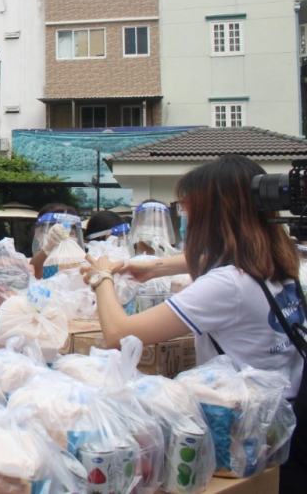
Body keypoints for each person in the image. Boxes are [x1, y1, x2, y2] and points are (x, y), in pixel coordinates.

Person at [83, 155, 306, 491]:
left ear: (214, 215)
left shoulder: (228, 284)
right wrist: (155, 267)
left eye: (187, 209)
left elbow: (120, 334)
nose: (184, 217)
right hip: (282, 421)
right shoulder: (280, 259)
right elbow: (209, 259)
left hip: (241, 434)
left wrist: (101, 276)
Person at [28, 203, 82, 279]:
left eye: (71, 234)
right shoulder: (28, 265)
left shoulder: (82, 260)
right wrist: (48, 247)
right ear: (38, 233)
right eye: (54, 232)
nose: (63, 237)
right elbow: (34, 274)